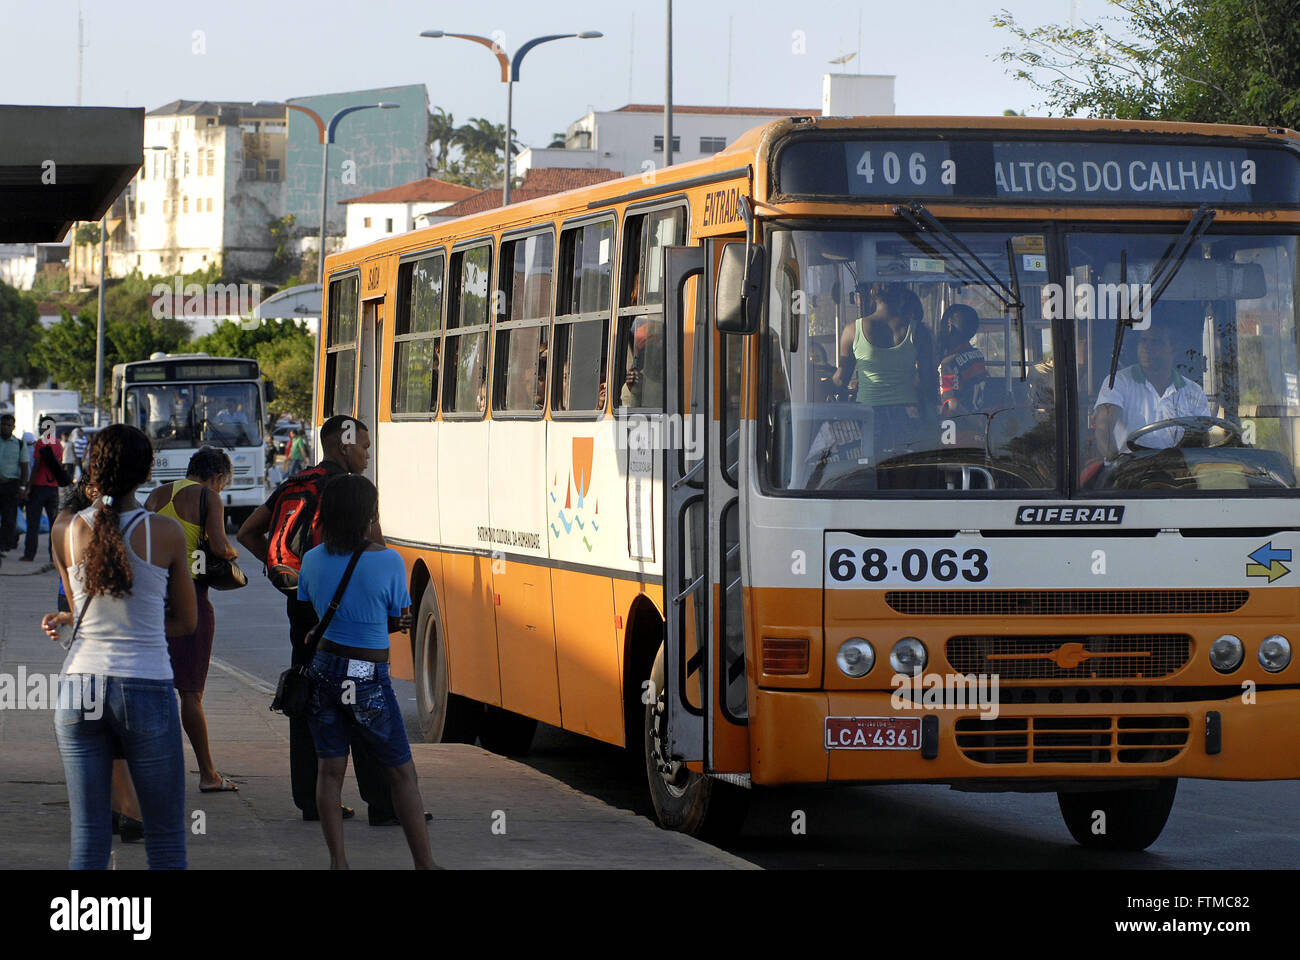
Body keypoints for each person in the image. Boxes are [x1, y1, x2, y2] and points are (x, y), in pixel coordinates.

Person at [41, 424, 197, 869]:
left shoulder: (65, 531)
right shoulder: (164, 532)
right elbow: (187, 621)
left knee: (88, 839)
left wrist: (67, 619)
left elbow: (81, 610)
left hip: (79, 687)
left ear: (93, 469)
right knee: (165, 838)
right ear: (147, 471)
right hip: (144, 684)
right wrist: (143, 621)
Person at [237, 415, 399, 825]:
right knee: (365, 701)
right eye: (363, 445)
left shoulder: (294, 484)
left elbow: (248, 533)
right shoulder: (352, 493)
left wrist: (297, 577)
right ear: (344, 446)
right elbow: (374, 548)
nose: (367, 454)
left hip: (304, 612)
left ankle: (313, 802)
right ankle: (382, 803)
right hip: (350, 618)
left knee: (308, 697)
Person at [301, 474, 434, 869]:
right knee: (401, 774)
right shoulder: (388, 560)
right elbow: (396, 617)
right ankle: (425, 864)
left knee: (329, 773)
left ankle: (338, 863)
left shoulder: (311, 559)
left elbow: (317, 607)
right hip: (365, 671)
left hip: (324, 666)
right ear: (368, 515)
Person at [52, 464, 145, 843]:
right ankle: (127, 810)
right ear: (92, 489)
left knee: (98, 725)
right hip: (101, 630)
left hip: (83, 628)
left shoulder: (71, 521)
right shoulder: (77, 524)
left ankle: (112, 808)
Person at [145, 446, 240, 794]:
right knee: (190, 693)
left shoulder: (157, 494)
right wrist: (232, 553)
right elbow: (218, 546)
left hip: (153, 597)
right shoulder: (208, 498)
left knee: (154, 688)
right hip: (192, 599)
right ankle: (208, 774)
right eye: (223, 484)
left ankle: (152, 770)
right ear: (216, 477)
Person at [832, 283, 936, 455]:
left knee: (871, 471)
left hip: (868, 415)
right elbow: (928, 380)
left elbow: (841, 380)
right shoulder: (919, 331)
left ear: (872, 295)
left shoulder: (852, 330)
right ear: (901, 297)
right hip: (908, 413)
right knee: (905, 470)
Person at [1094, 320, 1212, 461]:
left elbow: (1202, 439)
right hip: (1131, 474)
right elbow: (1103, 428)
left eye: (1156, 342)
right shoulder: (1118, 382)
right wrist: (1116, 463)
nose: (1146, 347)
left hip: (1178, 474)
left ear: (1174, 348)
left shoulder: (1193, 391)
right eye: (1143, 341)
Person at [937, 303, 990, 417]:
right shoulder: (977, 356)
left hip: (955, 425)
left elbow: (952, 404)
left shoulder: (949, 362)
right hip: (978, 415)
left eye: (942, 325)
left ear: (949, 327)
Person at [22, 418, 63, 562]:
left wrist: (28, 487)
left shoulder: (41, 443)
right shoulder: (58, 443)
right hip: (53, 489)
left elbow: (37, 466)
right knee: (54, 524)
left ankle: (29, 554)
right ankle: (54, 556)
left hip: (39, 487)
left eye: (42, 426)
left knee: (33, 522)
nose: (40, 429)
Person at [0, 413, 29, 555]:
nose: (5, 427)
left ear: (13, 427)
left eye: (8, 425)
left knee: (9, 517)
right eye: (3, 424)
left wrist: (23, 487)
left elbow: (24, 467)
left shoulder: (19, 444)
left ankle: (4, 545)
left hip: (11, 485)